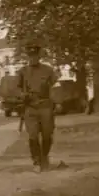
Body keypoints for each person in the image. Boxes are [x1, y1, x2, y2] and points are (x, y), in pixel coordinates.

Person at [17, 43, 61, 173]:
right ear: (27, 56)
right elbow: (17, 88)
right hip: (30, 108)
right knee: (33, 136)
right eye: (30, 56)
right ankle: (36, 161)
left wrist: (58, 102)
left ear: (39, 56)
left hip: (46, 106)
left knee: (47, 135)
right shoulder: (22, 72)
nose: (33, 58)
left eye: (35, 55)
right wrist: (22, 95)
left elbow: (56, 86)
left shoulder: (48, 70)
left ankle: (44, 156)